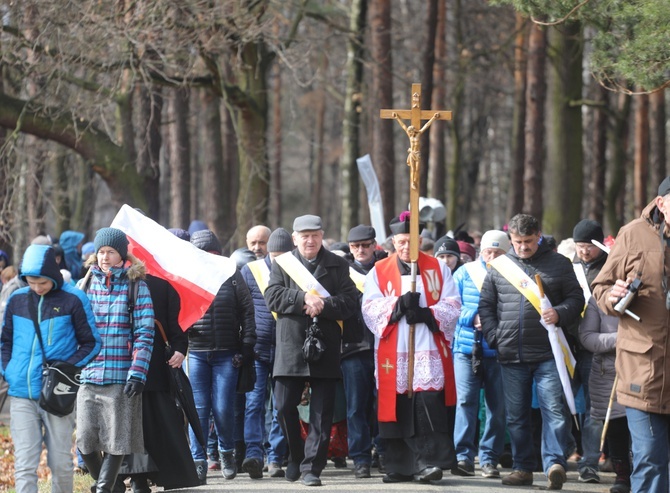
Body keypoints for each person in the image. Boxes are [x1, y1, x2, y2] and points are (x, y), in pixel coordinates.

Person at [479, 214, 584, 490]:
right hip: (511, 353)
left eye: (528, 241)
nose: (523, 247)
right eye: (517, 242)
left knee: (554, 410)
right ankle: (523, 468)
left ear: (538, 235)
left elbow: (576, 299)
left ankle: (554, 464)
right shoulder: (499, 266)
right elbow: (486, 305)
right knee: (516, 415)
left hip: (549, 353)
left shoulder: (559, 264)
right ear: (510, 238)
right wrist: (495, 337)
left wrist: (559, 313)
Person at [361, 211, 461, 484]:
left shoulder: (438, 269)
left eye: (411, 241)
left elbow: (453, 305)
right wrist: (397, 307)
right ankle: (398, 465)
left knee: (426, 404)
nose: (406, 247)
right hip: (394, 349)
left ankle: (427, 463)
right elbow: (369, 308)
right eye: (401, 241)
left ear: (420, 239)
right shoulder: (379, 271)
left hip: (426, 346)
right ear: (393, 240)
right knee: (395, 404)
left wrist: (427, 314)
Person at [265, 214, 359, 487]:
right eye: (304, 236)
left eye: (314, 235)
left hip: (325, 345)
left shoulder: (338, 265)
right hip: (291, 344)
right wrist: (302, 297)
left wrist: (324, 305)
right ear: (295, 238)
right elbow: (272, 295)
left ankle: (311, 468)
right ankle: (296, 455)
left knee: (321, 414)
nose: (310, 240)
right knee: (283, 406)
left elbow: (350, 302)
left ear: (322, 236)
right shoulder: (284, 264)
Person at [591, 176, 670, 492]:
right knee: (651, 457)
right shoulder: (633, 235)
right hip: (644, 368)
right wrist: (613, 296)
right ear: (662, 203)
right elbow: (601, 287)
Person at [1, 244, 100, 493]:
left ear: (52, 274)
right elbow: (5, 342)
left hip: (57, 395)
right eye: (31, 282)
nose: (36, 288)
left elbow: (92, 343)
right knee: (24, 464)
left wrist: (66, 370)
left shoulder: (74, 299)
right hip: (21, 394)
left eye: (41, 282)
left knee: (61, 464)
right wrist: (8, 371)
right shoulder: (16, 300)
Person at [76, 227, 155, 493]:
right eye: (100, 252)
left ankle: (104, 489)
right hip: (88, 374)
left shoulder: (136, 286)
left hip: (122, 375)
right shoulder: (84, 285)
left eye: (110, 252)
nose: (104, 257)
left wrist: (138, 373)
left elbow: (145, 333)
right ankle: (113, 487)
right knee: (85, 442)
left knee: (117, 441)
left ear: (121, 255)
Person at [113, 273, 199, 492]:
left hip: (154, 365)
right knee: (126, 423)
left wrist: (180, 347)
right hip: (117, 364)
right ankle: (132, 477)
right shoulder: (106, 283)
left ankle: (147, 477)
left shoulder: (163, 284)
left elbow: (175, 322)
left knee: (153, 422)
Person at [187, 229, 256, 482]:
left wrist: (247, 345)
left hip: (227, 353)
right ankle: (199, 460)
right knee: (198, 409)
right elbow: (177, 312)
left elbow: (248, 312)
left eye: (212, 252)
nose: (207, 257)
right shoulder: (187, 277)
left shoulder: (232, 275)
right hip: (196, 353)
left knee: (224, 408)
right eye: (202, 253)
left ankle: (227, 453)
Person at [451, 230, 509, 479]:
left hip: (499, 350)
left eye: (498, 252)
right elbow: (451, 304)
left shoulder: (513, 275)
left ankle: (489, 458)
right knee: (465, 402)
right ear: (481, 251)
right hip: (467, 348)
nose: (492, 256)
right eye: (488, 251)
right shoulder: (465, 272)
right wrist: (472, 317)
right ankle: (463, 456)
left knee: (497, 407)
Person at [240, 228, 293, 479]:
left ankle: (275, 458)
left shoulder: (297, 270)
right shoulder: (250, 272)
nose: (258, 247)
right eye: (255, 243)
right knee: (254, 404)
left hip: (287, 349)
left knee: (281, 407)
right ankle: (254, 454)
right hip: (257, 350)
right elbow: (242, 309)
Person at [341, 224, 387, 479]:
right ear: (350, 248)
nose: (361, 250)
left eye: (365, 245)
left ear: (374, 245)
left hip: (384, 346)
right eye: (356, 246)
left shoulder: (385, 271)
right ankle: (360, 457)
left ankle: (383, 450)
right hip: (351, 347)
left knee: (382, 404)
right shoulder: (341, 273)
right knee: (356, 407)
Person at [568, 219, 608, 483]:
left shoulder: (610, 266)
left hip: (596, 348)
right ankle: (558, 457)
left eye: (588, 247)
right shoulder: (567, 266)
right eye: (580, 246)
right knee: (562, 405)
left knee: (594, 410)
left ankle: (590, 462)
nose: (584, 252)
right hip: (568, 345)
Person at [578, 297, 631, 493]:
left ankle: (645, 476)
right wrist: (621, 338)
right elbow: (587, 337)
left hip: (646, 368)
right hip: (609, 372)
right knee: (617, 427)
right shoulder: (600, 298)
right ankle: (623, 476)